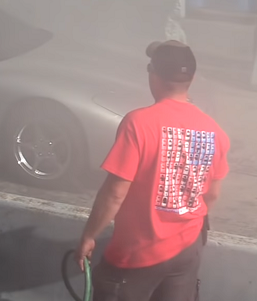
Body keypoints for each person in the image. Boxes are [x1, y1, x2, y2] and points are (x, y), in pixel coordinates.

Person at [76, 41, 230, 301]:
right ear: (191, 79)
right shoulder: (215, 131)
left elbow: (115, 193)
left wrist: (89, 236)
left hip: (136, 255)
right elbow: (212, 195)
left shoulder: (139, 123)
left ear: (153, 76)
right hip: (187, 251)